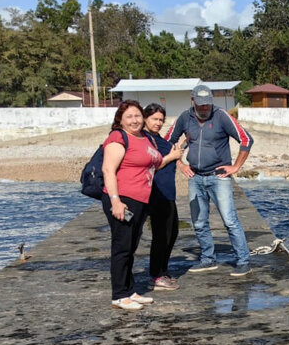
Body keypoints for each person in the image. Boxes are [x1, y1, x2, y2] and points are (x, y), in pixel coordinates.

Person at [101, 100, 185, 310]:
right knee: (122, 247)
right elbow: (108, 171)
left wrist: (176, 156)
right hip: (123, 199)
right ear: (120, 119)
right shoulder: (117, 138)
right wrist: (115, 201)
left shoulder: (143, 139)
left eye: (137, 116)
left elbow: (156, 162)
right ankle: (119, 295)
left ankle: (130, 291)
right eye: (129, 116)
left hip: (140, 200)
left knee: (131, 246)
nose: (135, 120)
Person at [165, 84, 255, 275]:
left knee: (230, 221)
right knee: (199, 222)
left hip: (218, 177)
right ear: (193, 101)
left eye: (207, 104)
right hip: (195, 177)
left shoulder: (222, 116)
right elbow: (167, 141)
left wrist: (236, 166)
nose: (204, 108)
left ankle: (243, 260)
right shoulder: (184, 118)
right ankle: (208, 259)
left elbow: (246, 139)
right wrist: (180, 164)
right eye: (200, 105)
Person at [143, 103, 185, 290]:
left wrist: (179, 149)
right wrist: (172, 156)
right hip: (155, 192)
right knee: (161, 235)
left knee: (172, 233)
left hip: (168, 193)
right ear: (145, 118)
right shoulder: (144, 139)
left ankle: (163, 270)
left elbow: (169, 152)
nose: (158, 123)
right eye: (154, 119)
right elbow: (151, 164)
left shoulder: (158, 138)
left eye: (161, 120)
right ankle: (156, 275)